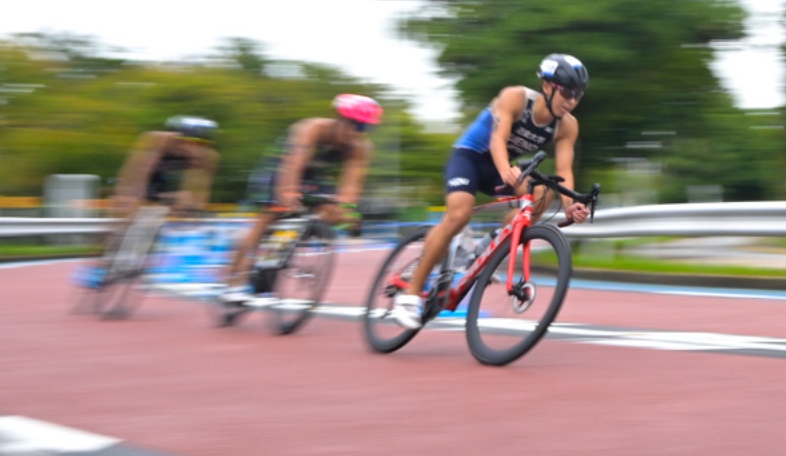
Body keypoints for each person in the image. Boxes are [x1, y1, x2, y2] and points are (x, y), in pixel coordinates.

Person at [386, 53, 593, 330]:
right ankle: (410, 296)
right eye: (567, 92)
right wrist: (506, 169)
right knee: (459, 215)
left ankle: (490, 246)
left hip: (501, 167)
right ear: (547, 86)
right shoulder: (515, 98)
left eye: (578, 95)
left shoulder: (568, 125)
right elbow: (498, 139)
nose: (572, 100)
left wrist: (570, 205)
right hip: (470, 158)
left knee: (545, 192)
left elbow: (564, 170)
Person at [217, 95, 381, 311]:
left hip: (314, 175)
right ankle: (234, 280)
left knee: (333, 213)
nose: (355, 132)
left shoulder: (361, 147)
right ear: (338, 118)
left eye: (364, 128)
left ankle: (283, 248)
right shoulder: (313, 128)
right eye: (353, 124)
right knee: (269, 216)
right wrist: (288, 191)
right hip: (282, 167)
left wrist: (345, 210)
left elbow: (351, 186)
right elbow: (294, 162)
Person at [81, 117, 219, 288]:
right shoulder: (158, 140)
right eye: (190, 142)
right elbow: (136, 173)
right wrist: (128, 199)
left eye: (202, 144)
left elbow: (201, 188)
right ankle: (100, 264)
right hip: (139, 174)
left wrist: (193, 210)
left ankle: (140, 254)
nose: (195, 148)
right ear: (180, 138)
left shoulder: (209, 157)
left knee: (180, 200)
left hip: (162, 181)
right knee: (124, 214)